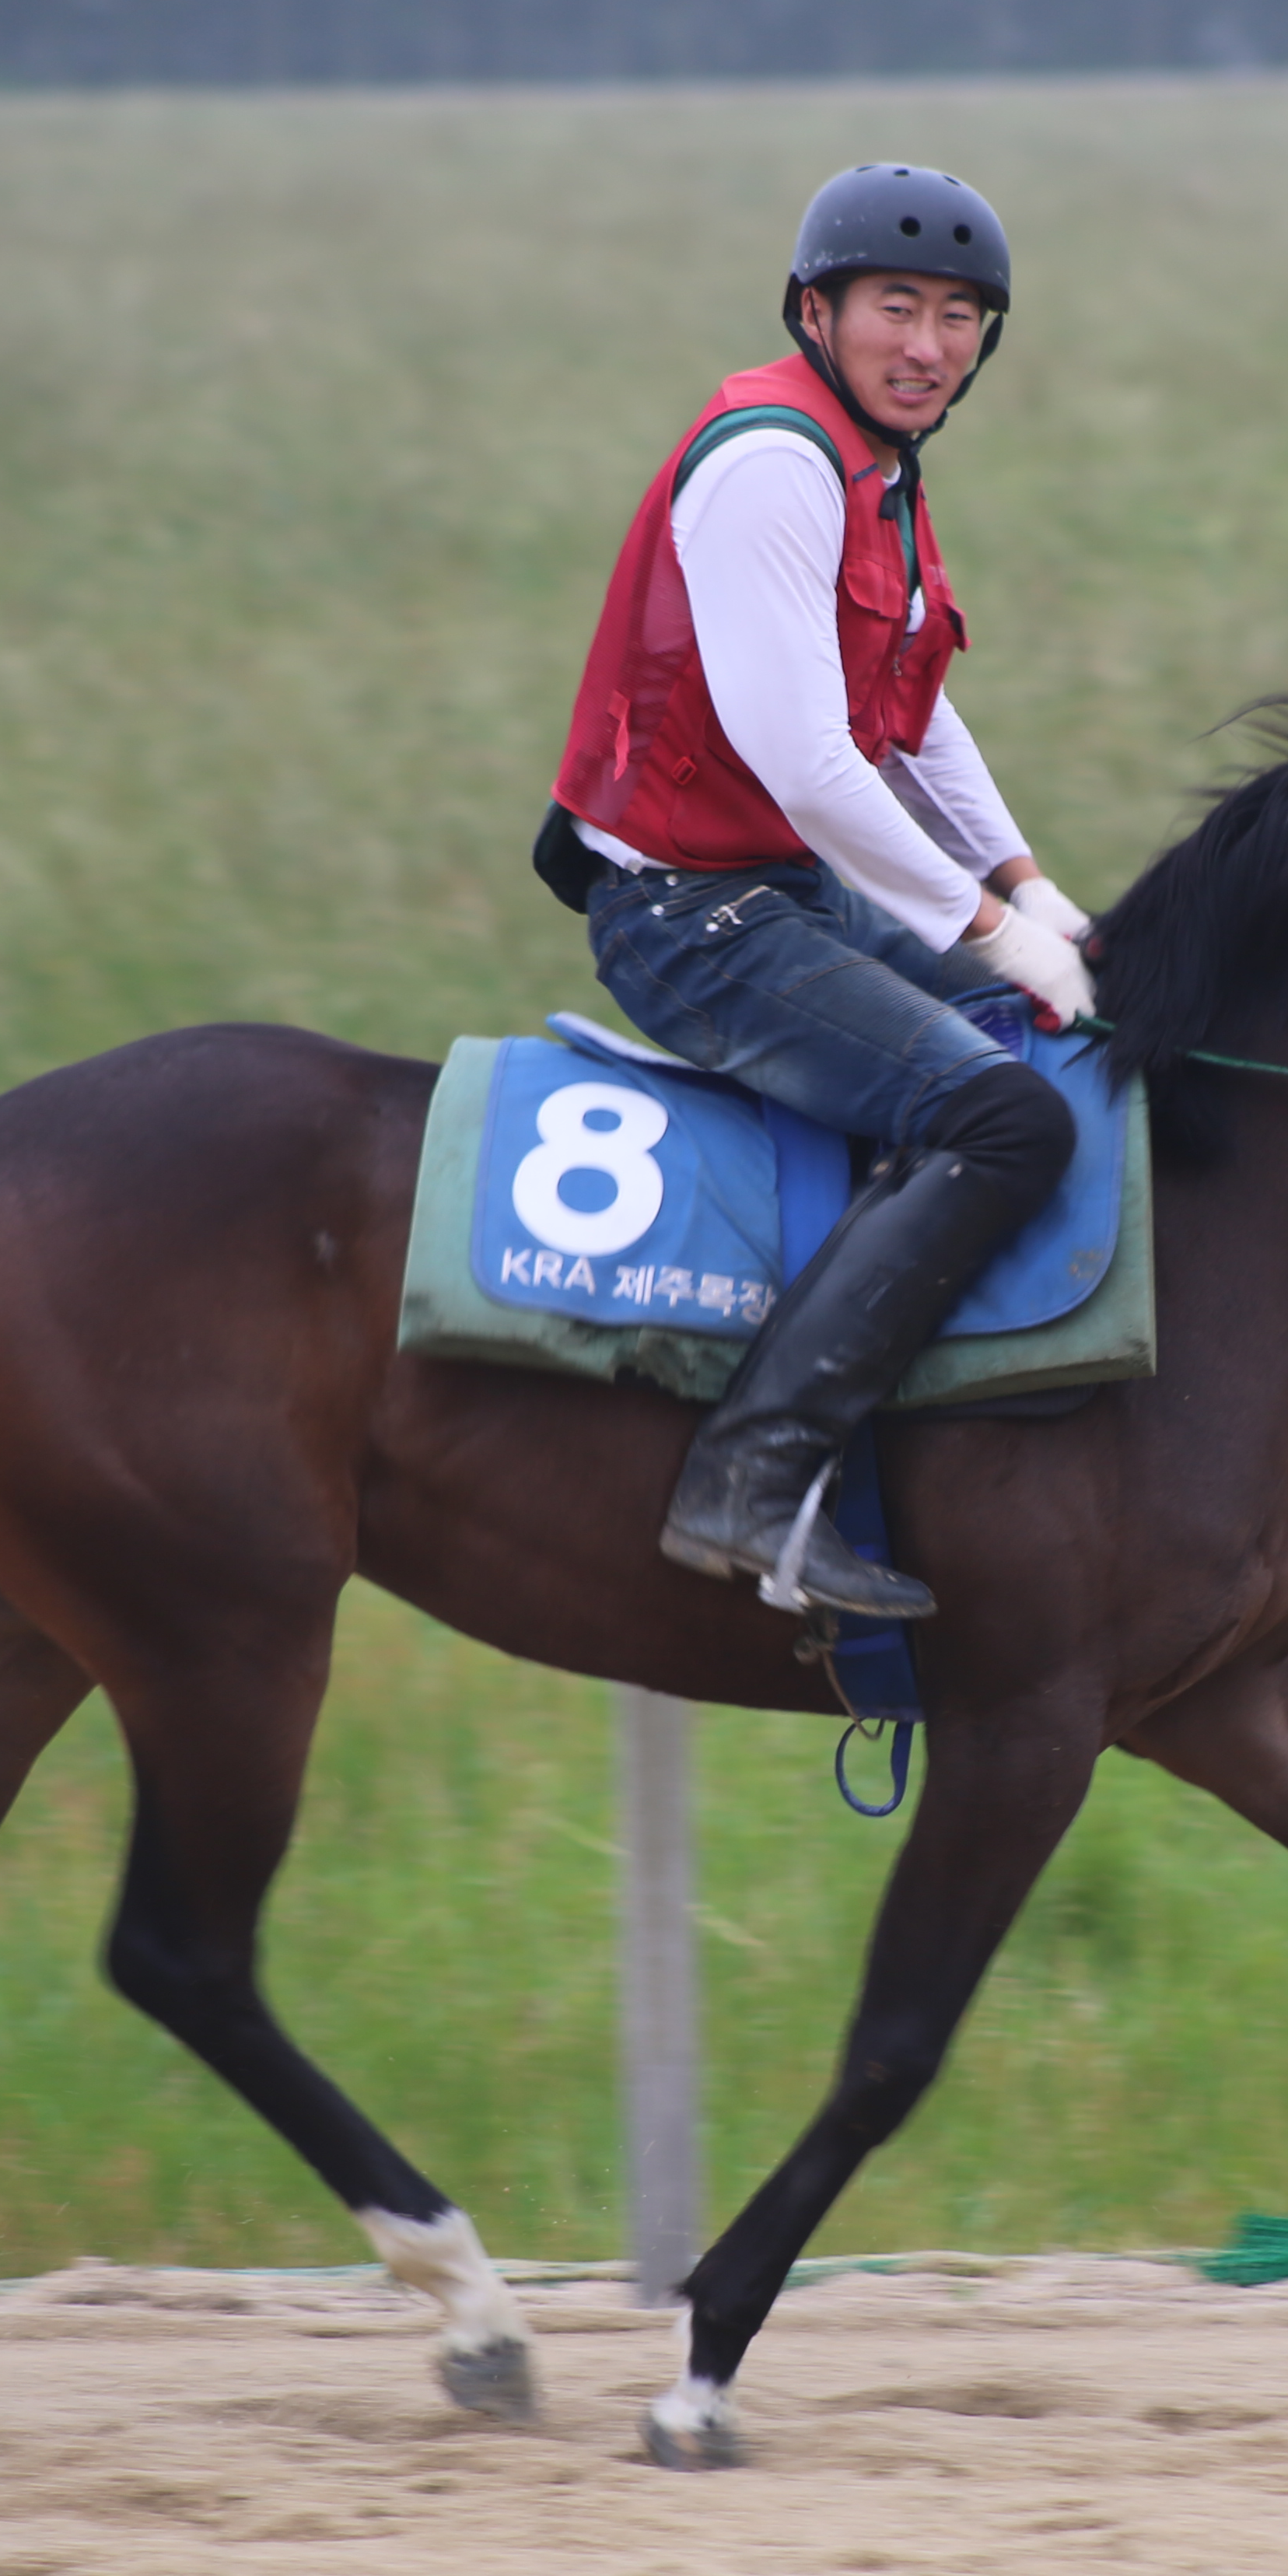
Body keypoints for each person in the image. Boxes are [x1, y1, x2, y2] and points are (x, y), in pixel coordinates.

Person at [538, 163, 1094, 1623]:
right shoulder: (774, 466)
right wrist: (988, 930)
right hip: (696, 921)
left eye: (960, 317)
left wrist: (1035, 888)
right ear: (818, 312)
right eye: (897, 308)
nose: (928, 344)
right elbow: (813, 770)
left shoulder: (882, 478)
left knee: (1091, 1022)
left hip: (786, 892)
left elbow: (914, 719)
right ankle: (752, 1481)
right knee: (1002, 1111)